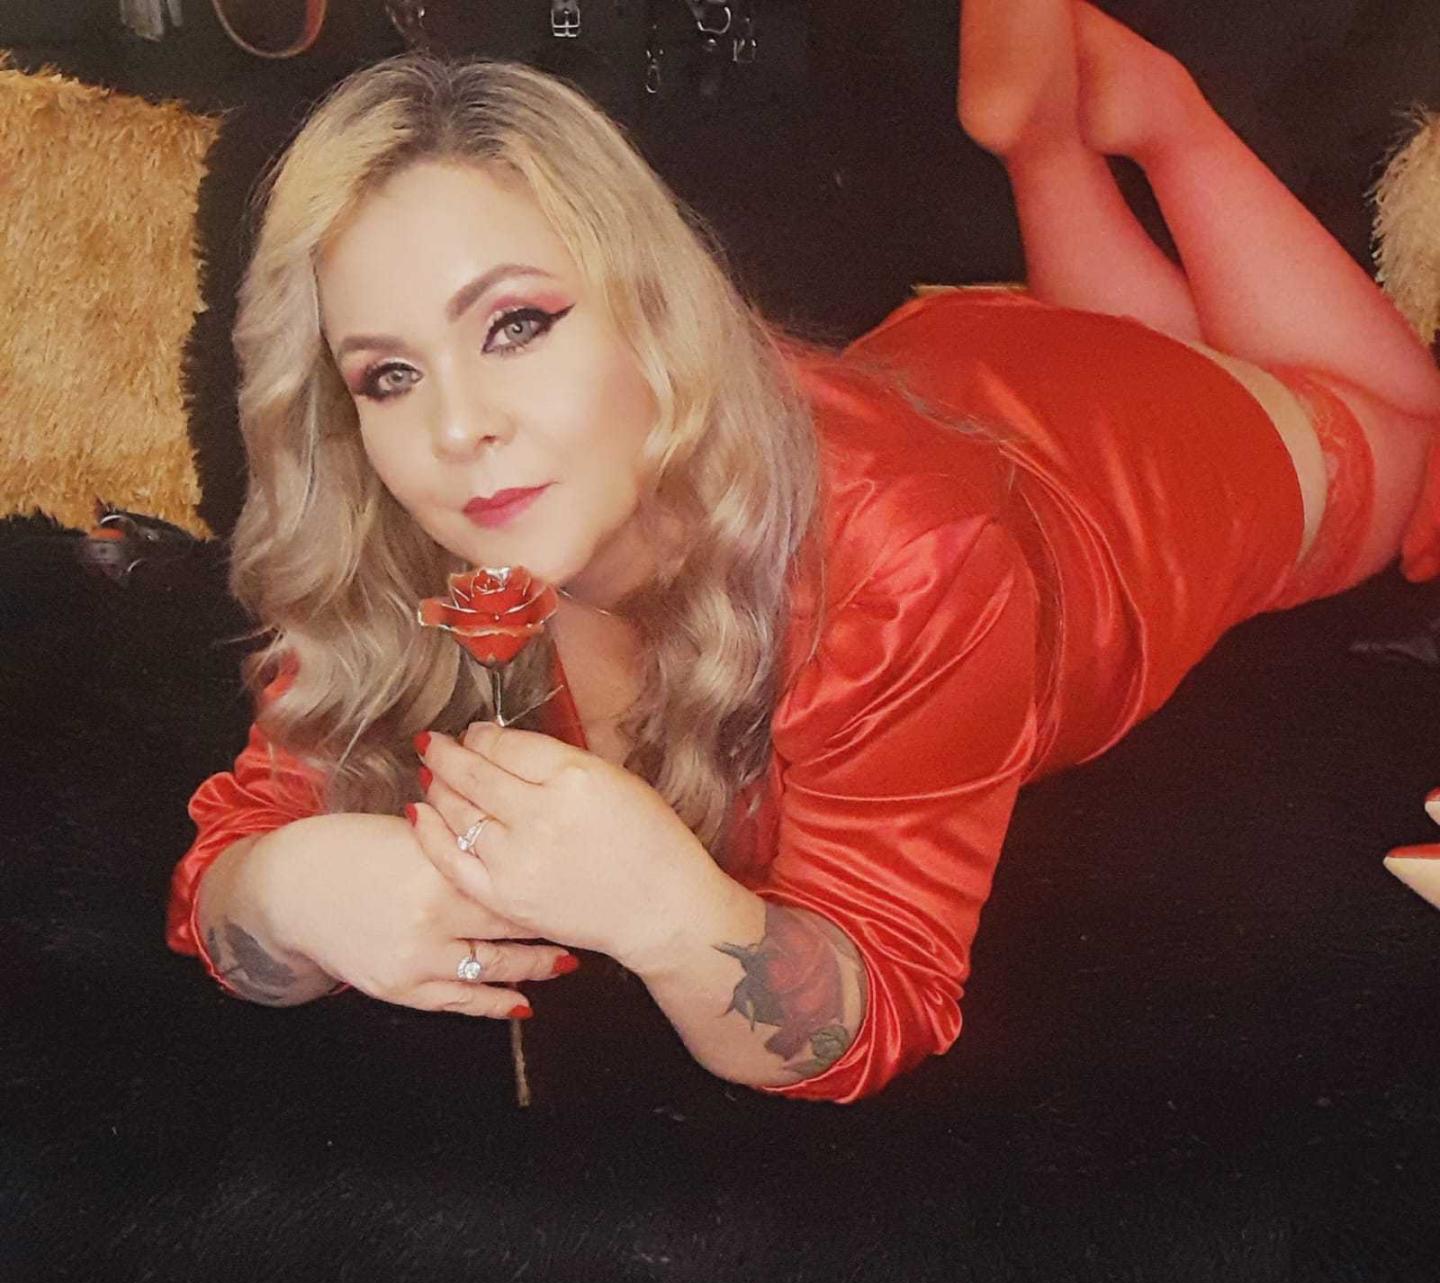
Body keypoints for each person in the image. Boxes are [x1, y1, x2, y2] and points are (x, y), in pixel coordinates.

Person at [167, 0, 1440, 1103]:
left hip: (1107, 491)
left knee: (1397, 438)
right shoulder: (413, 535)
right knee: (1128, 334)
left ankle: (1161, 116)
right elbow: (234, 854)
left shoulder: (914, 564)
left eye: (516, 326)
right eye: (388, 375)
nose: (458, 430)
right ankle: (1051, 146)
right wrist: (285, 894)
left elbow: (885, 999)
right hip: (939, 371)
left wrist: (669, 916)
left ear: (652, 309)